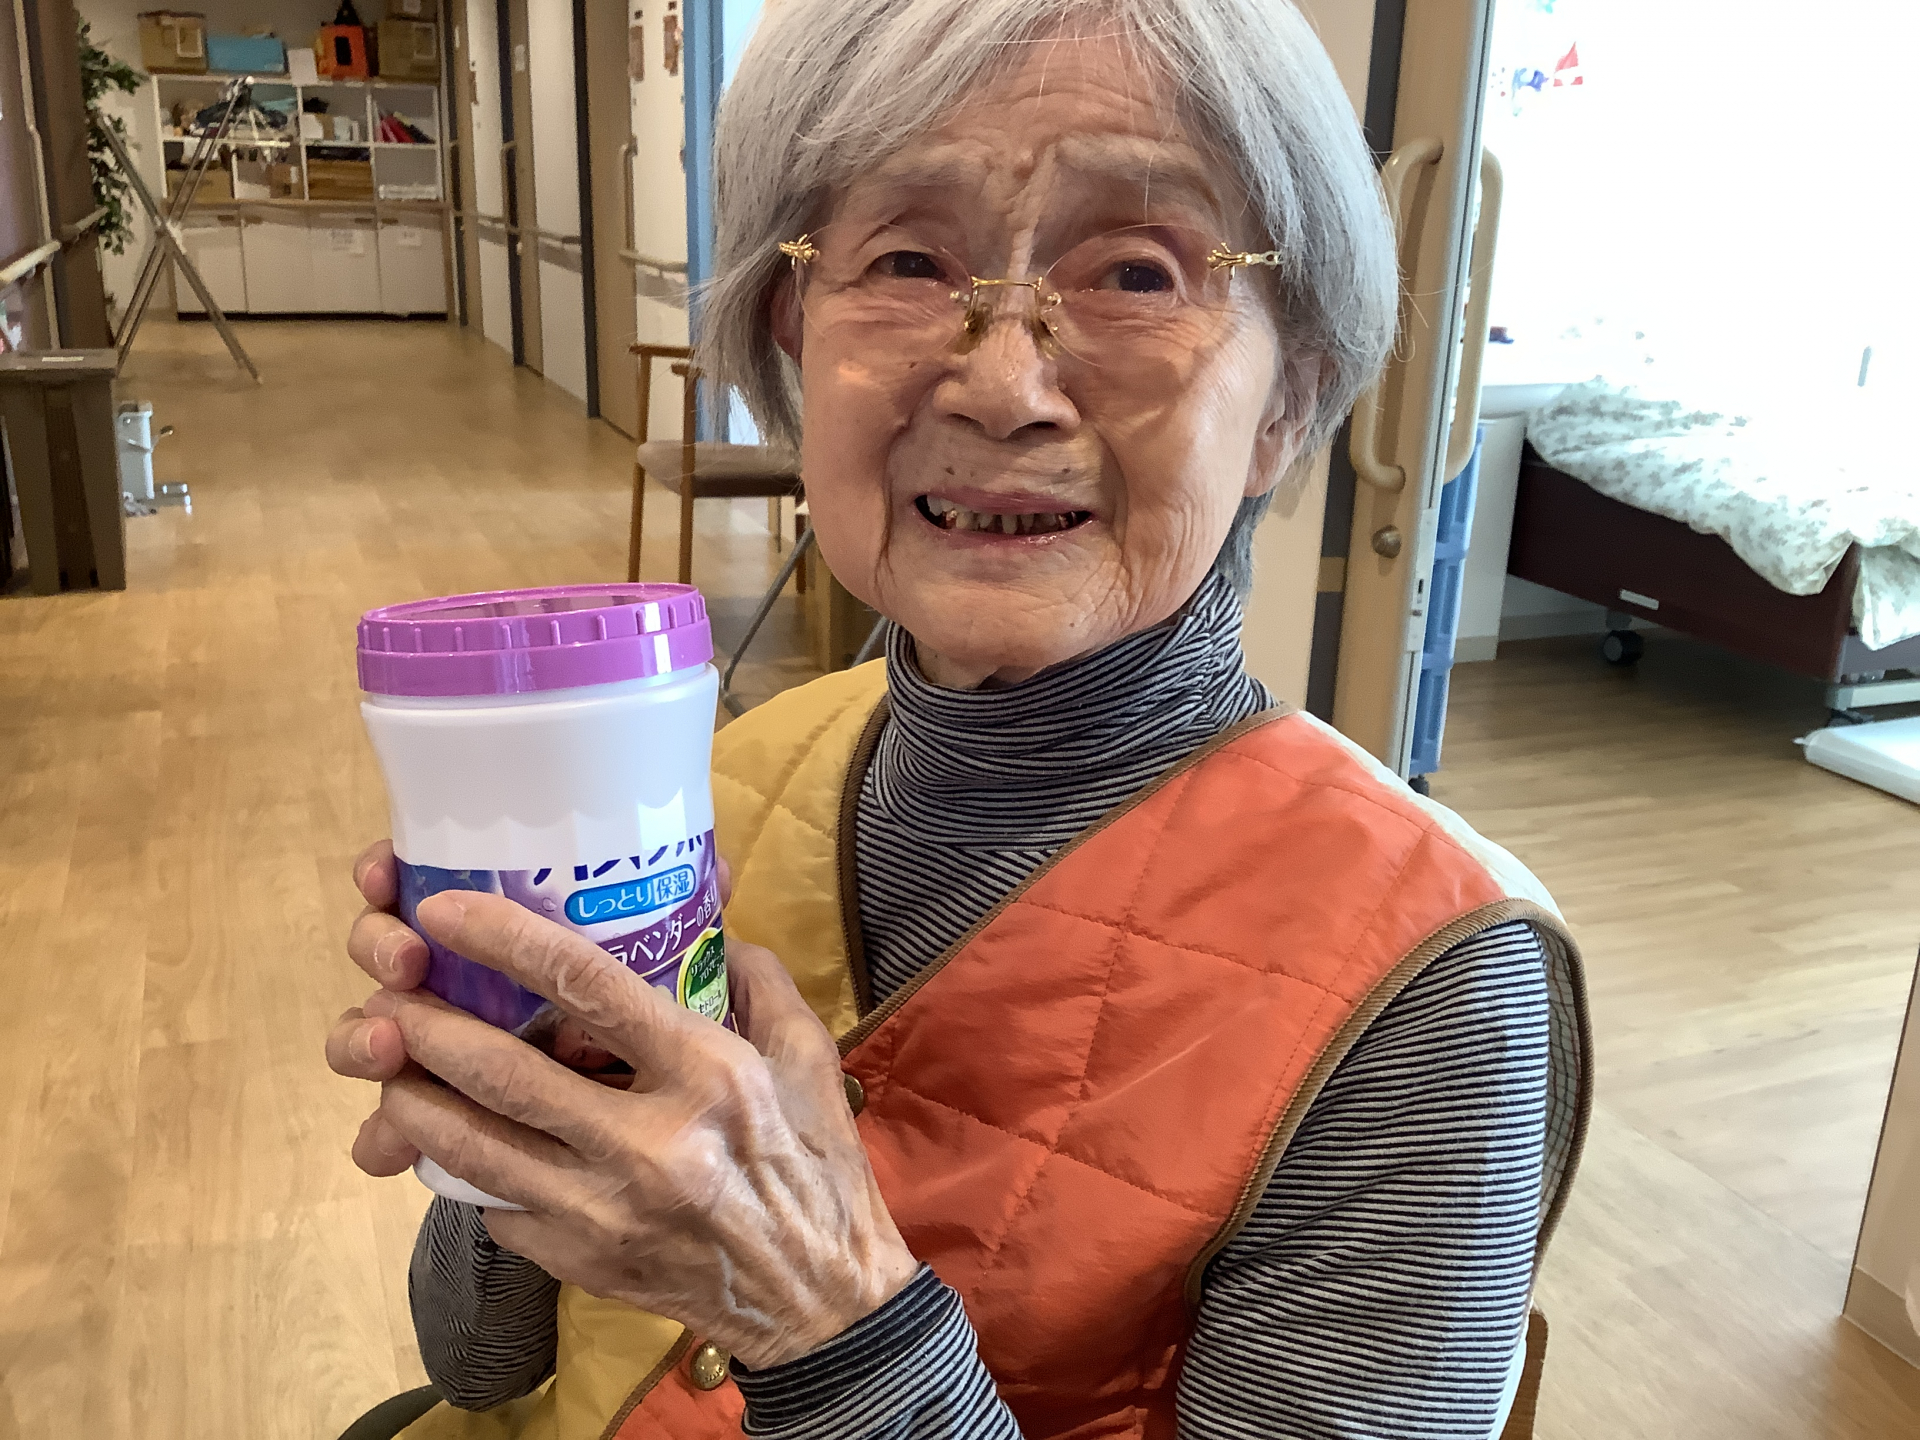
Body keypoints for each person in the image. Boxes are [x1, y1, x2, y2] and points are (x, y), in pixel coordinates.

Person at [326, 1, 1592, 1436]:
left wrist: (821, 1322)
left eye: (1135, 271)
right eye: (908, 262)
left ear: (1288, 400)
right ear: (794, 331)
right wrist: (502, 1091)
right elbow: (484, 1365)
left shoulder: (1433, 993)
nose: (1002, 387)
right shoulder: (724, 780)